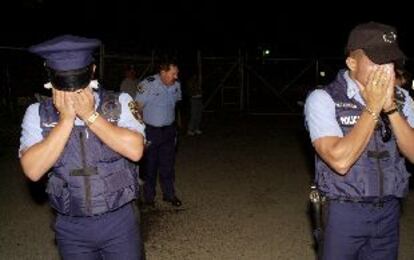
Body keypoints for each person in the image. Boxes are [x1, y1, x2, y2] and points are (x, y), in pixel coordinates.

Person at [19, 35, 145, 259]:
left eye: (78, 80)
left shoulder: (120, 102)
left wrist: (90, 115)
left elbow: (135, 150)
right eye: (64, 82)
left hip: (119, 220)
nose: (73, 92)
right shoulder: (36, 113)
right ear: (49, 75)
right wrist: (66, 120)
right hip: (71, 226)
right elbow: (33, 169)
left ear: (92, 70)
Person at [304, 21, 414, 259]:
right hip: (343, 212)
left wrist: (392, 110)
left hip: (389, 211)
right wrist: (373, 108)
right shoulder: (323, 99)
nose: (386, 69)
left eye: (390, 61)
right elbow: (340, 160)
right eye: (377, 60)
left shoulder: (403, 99)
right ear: (352, 62)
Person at [135, 58, 182, 207]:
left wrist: (177, 126)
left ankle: (169, 195)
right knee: (150, 165)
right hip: (151, 131)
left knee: (168, 165)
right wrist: (140, 130)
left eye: (177, 73)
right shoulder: (147, 85)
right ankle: (149, 198)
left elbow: (175, 106)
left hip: (169, 131)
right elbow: (137, 108)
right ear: (163, 72)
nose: (176, 77)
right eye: (173, 74)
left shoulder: (176, 86)